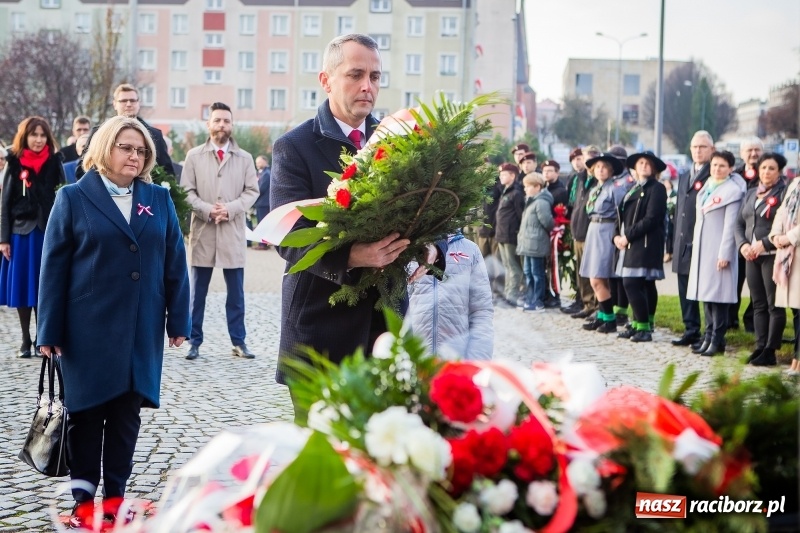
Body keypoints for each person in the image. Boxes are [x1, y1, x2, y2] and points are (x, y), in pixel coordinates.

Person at [269, 34, 445, 412]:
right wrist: (352, 256)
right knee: (324, 460)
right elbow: (288, 236)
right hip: (320, 332)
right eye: (356, 75)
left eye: (376, 76)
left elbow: (432, 215)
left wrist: (430, 247)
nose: (368, 86)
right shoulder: (294, 147)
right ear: (326, 80)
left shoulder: (401, 140)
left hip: (385, 329)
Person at [36, 116, 190, 528]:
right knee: (86, 415)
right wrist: (47, 330)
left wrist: (180, 320)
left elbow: (175, 261)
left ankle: (116, 500)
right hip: (86, 327)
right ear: (105, 149)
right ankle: (83, 504)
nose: (134, 156)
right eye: (126, 148)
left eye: (141, 151)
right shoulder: (72, 197)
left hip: (141, 326)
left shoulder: (157, 199)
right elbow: (53, 267)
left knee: (126, 416)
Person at [183, 102, 259, 361]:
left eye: (226, 121)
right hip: (203, 231)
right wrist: (207, 209)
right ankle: (193, 341)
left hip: (232, 233)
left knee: (236, 295)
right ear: (209, 124)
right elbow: (186, 192)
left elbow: (252, 192)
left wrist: (229, 209)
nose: (222, 126)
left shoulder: (245, 158)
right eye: (217, 121)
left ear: (232, 125)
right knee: (197, 294)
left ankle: (239, 341)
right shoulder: (194, 156)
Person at [0, 116, 65, 358]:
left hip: (49, 234)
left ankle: (42, 338)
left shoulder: (55, 161)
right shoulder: (14, 162)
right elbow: (4, 204)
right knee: (23, 288)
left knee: (45, 288)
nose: (38, 140)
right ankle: (25, 340)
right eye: (33, 135)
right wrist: (3, 239)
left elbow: (63, 196)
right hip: (21, 234)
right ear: (25, 137)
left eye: (42, 135)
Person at [686, 150, 746, 356]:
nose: (717, 169)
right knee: (707, 296)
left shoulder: (732, 191)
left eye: (722, 165)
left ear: (730, 169)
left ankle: (717, 340)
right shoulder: (707, 187)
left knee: (718, 298)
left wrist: (725, 254)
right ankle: (709, 336)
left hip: (719, 251)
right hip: (704, 249)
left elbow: (731, 226)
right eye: (714, 165)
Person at [735, 152, 788, 366]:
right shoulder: (750, 194)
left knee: (773, 304)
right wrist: (743, 245)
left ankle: (771, 350)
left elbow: (786, 225)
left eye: (771, 168)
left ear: (779, 172)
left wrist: (765, 243)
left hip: (772, 255)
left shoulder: (784, 193)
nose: (766, 172)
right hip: (751, 256)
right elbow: (739, 223)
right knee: (757, 304)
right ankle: (760, 345)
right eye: (763, 168)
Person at [407, 232, 493, 360]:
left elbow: (481, 310)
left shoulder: (470, 250)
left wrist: (478, 358)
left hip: (456, 358)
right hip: (416, 356)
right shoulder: (408, 250)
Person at [614, 152, 668, 342]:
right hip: (630, 241)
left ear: (654, 168)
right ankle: (639, 324)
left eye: (648, 163)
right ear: (634, 168)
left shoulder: (657, 189)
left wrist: (627, 236)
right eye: (640, 163)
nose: (644, 166)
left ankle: (644, 327)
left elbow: (652, 218)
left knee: (632, 283)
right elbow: (620, 216)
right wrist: (616, 236)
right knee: (643, 284)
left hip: (646, 243)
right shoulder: (633, 189)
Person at [77, 84, 174, 180]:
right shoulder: (99, 133)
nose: (128, 104)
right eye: (123, 101)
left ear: (138, 103)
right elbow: (83, 169)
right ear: (115, 104)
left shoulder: (155, 135)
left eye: (132, 100)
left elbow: (168, 172)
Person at [671, 131, 713, 348]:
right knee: (684, 286)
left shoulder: (714, 174)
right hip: (682, 240)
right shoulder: (685, 175)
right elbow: (679, 211)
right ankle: (691, 329)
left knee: (705, 289)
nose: (698, 150)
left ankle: (709, 333)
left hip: (702, 239)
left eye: (703, 147)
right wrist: (673, 242)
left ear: (711, 150)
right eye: (695, 147)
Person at [580, 152, 626, 334]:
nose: (600, 170)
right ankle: (602, 316)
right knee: (596, 278)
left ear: (611, 170)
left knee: (598, 279)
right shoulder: (594, 189)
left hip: (606, 231)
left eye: (604, 167)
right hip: (594, 230)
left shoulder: (615, 188)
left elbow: (621, 214)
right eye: (597, 167)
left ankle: (610, 319)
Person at [769, 168, 800, 375]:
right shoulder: (795, 183)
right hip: (788, 254)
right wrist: (776, 236)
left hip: (795, 245)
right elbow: (782, 211)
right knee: (797, 312)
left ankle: (798, 360)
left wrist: (790, 237)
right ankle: (796, 359)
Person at [568, 144, 602, 319]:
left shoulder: (599, 180)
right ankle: (587, 303)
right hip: (578, 232)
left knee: (594, 272)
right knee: (582, 271)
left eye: (594, 156)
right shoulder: (580, 178)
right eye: (587, 156)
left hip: (592, 233)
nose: (590, 159)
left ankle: (598, 305)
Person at [516, 172, 554, 312]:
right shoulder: (531, 201)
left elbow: (548, 222)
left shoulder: (541, 202)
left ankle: (538, 301)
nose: (525, 189)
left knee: (537, 273)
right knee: (528, 272)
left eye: (528, 186)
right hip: (528, 244)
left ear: (537, 187)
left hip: (536, 244)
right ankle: (530, 298)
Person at [495, 162, 526, 307]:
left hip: (510, 235)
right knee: (506, 265)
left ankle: (512, 296)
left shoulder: (517, 193)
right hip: (501, 234)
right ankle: (507, 293)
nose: (500, 176)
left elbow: (521, 216)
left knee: (513, 266)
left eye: (504, 174)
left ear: (512, 175)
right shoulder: (505, 190)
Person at [662, 177, 677, 263]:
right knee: (667, 236)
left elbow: (673, 205)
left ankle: (671, 252)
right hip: (665, 217)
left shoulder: (674, 194)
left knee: (672, 235)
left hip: (672, 217)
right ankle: (667, 252)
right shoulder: (663, 194)